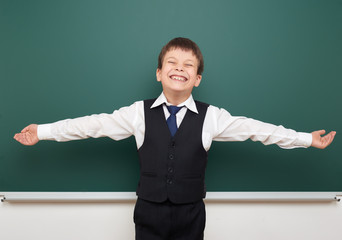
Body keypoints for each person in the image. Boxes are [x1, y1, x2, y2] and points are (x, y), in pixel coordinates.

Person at [14, 37, 336, 240]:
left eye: (188, 65)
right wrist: (42, 132)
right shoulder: (137, 114)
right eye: (171, 63)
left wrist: (307, 139)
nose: (178, 69)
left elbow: (258, 130)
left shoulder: (212, 117)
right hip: (148, 215)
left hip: (191, 215)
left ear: (197, 78)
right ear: (159, 72)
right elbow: (91, 125)